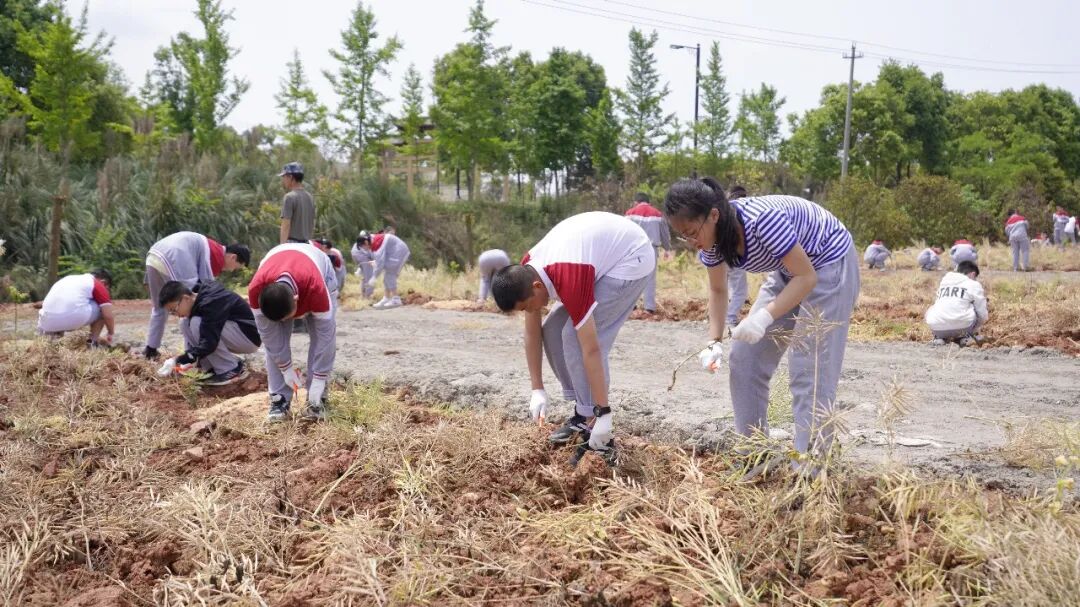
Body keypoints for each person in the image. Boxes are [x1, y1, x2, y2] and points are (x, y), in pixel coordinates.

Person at [663, 178, 859, 476]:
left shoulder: (762, 221)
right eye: (683, 236)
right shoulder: (712, 243)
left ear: (714, 215)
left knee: (809, 368)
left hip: (829, 262)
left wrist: (764, 316)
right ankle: (756, 455)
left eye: (692, 233)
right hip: (788, 270)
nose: (691, 242)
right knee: (743, 358)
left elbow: (806, 277)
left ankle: (812, 470)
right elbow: (718, 291)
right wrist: (713, 341)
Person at [492, 212, 654, 466]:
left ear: (536, 287)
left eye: (526, 307)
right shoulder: (527, 270)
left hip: (631, 258)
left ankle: (599, 434)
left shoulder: (569, 276)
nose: (529, 312)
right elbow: (532, 332)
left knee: (573, 336)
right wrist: (537, 389)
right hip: (600, 254)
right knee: (554, 330)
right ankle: (584, 411)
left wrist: (604, 414)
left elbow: (591, 348)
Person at [248, 242, 339, 422]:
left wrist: (320, 377)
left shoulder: (316, 289)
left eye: (286, 317)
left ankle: (317, 399)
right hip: (276, 259)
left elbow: (325, 338)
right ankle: (279, 399)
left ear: (297, 300)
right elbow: (270, 339)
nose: (284, 322)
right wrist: (286, 368)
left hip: (319, 268)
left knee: (319, 337)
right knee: (275, 340)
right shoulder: (255, 291)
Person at [143, 232, 250, 359]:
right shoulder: (215, 253)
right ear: (233, 257)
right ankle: (191, 356)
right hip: (174, 255)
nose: (232, 270)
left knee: (159, 306)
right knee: (189, 305)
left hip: (153, 255)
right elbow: (206, 293)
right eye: (236, 267)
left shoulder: (209, 246)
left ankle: (151, 349)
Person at [155, 280, 261, 385]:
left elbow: (209, 343)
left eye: (174, 309)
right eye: (171, 313)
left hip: (248, 338)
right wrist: (187, 361)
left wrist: (178, 359)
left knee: (196, 322)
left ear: (186, 298)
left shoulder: (211, 303)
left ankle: (229, 369)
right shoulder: (199, 301)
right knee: (185, 322)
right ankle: (209, 367)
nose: (175, 314)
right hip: (234, 333)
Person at [37, 269, 115, 346]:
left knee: (51, 346)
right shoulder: (96, 283)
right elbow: (108, 315)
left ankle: (53, 343)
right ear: (103, 282)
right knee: (102, 310)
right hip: (71, 318)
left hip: (46, 322)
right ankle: (91, 343)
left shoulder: (68, 279)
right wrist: (110, 333)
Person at [624, 192, 671, 314]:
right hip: (651, 249)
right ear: (649, 202)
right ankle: (649, 307)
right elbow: (664, 233)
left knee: (632, 277)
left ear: (636, 202)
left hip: (634, 249)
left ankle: (631, 306)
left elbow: (624, 233)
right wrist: (667, 249)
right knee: (650, 278)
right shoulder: (657, 214)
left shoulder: (629, 214)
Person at [925, 261, 988, 347]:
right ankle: (965, 337)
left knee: (933, 308)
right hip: (962, 328)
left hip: (937, 328)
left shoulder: (944, 282)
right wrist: (974, 330)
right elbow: (982, 314)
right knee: (974, 306)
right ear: (973, 274)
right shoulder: (973, 284)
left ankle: (939, 338)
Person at [362, 230, 411, 309]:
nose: (365, 249)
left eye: (364, 247)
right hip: (397, 252)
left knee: (390, 274)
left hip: (399, 252)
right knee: (387, 276)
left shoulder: (378, 243)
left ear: (366, 243)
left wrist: (374, 277)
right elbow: (380, 259)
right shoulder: (374, 240)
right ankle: (386, 298)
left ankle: (396, 299)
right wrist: (376, 263)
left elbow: (380, 262)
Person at [725, 186, 750, 328]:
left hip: (718, 256)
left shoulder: (722, 210)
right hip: (734, 256)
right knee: (740, 291)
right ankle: (730, 317)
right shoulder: (743, 212)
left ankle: (720, 316)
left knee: (724, 288)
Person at [279, 162, 315, 245]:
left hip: (292, 243)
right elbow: (312, 223)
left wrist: (282, 246)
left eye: (284, 177)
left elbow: (286, 224)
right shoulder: (310, 197)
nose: (283, 180)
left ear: (291, 177)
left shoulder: (289, 197)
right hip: (307, 244)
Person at [351, 232, 376, 298]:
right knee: (369, 276)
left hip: (359, 256)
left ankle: (364, 294)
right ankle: (368, 295)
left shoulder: (372, 240)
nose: (363, 247)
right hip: (360, 256)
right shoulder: (362, 244)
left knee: (366, 276)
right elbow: (371, 254)